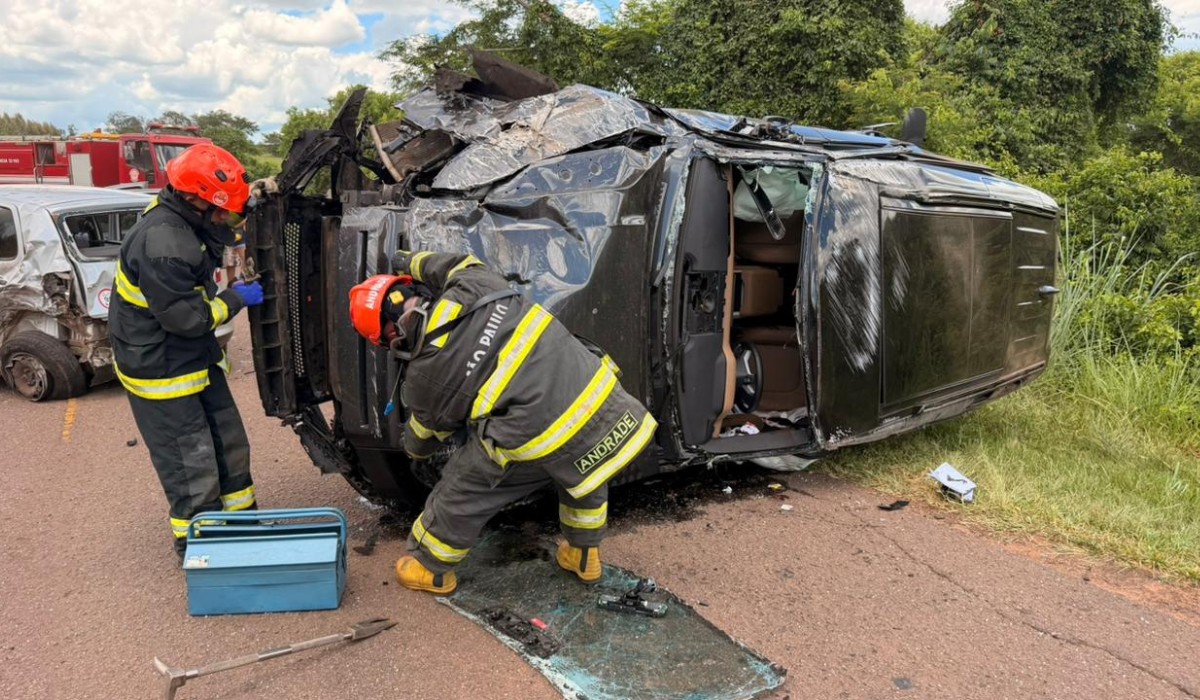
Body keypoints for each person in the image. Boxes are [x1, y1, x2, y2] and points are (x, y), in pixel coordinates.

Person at [348, 251, 658, 594]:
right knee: (582, 469)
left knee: (462, 487)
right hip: (601, 404)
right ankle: (583, 554)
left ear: (389, 337)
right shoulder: (475, 284)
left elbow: (425, 435)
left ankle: (431, 568)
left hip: (537, 438)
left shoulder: (424, 376)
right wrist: (408, 261)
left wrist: (412, 451)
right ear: (412, 291)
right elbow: (455, 263)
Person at [108, 143, 265, 559]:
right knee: (189, 458)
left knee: (227, 440)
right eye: (222, 210)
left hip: (190, 357)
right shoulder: (164, 242)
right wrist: (235, 299)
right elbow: (188, 319)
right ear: (196, 199)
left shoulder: (184, 224)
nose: (226, 219)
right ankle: (203, 547)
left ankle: (243, 524)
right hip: (159, 368)